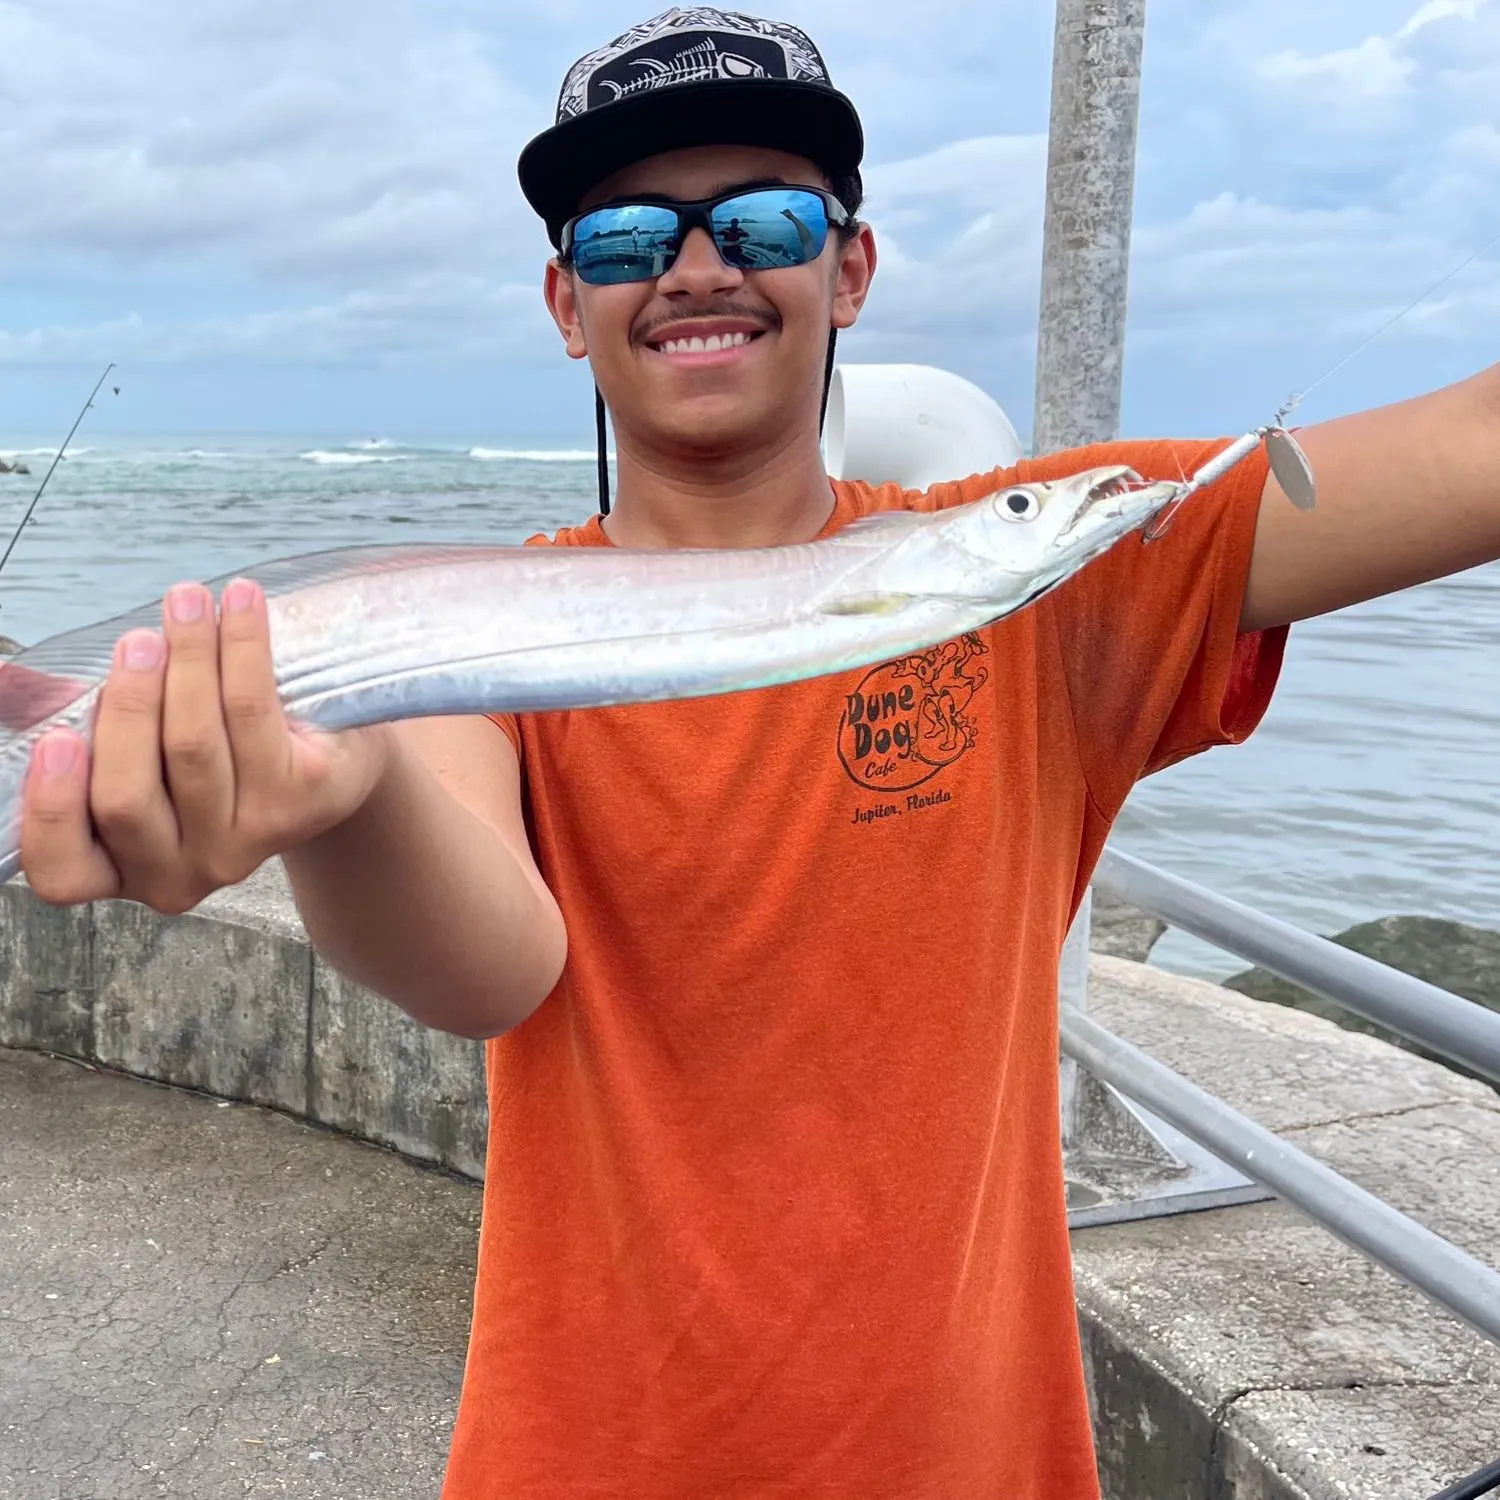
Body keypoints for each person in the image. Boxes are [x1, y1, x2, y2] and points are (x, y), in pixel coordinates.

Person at [18, 8, 1500, 1498]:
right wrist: (344, 789)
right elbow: (489, 969)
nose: (698, 267)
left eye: (768, 218)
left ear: (850, 268)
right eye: (625, 240)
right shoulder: (480, 628)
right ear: (563, 300)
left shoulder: (1049, 564)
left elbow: (1468, 455)